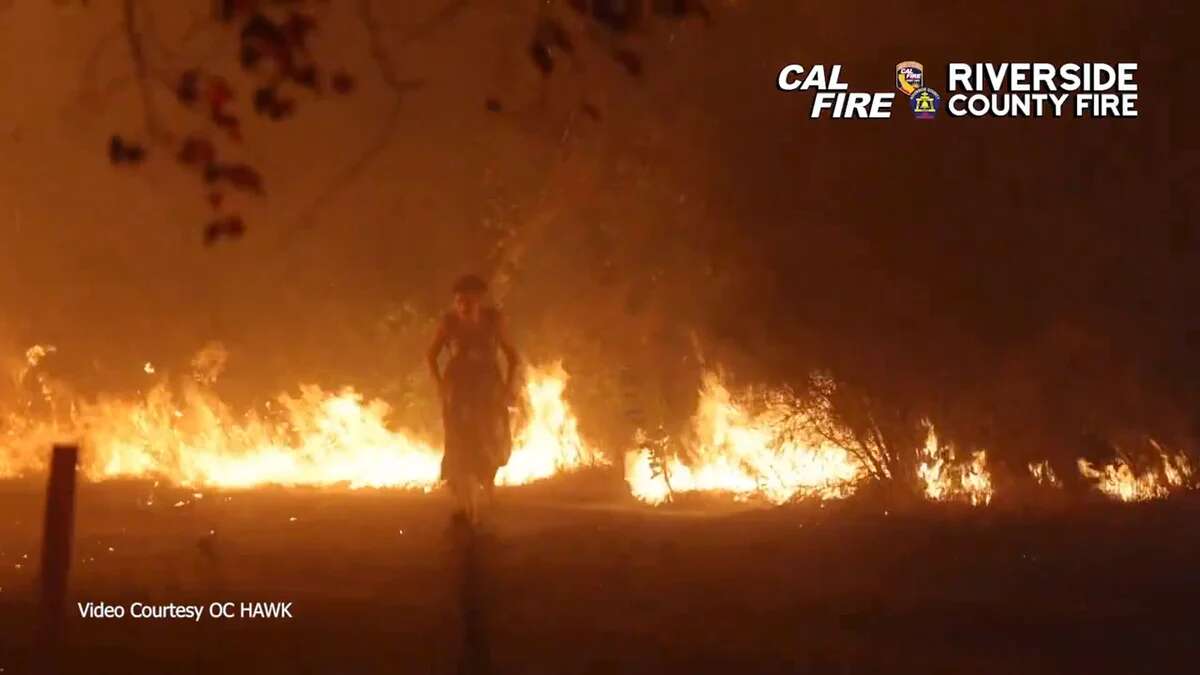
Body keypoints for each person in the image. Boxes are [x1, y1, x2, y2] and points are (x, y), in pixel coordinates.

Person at [427, 274, 520, 525]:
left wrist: (508, 388)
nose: (463, 306)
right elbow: (432, 356)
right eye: (458, 301)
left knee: (490, 437)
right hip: (459, 389)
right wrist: (440, 385)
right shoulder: (449, 323)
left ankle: (488, 489)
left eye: (468, 300)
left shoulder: (493, 321)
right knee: (459, 441)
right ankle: (465, 501)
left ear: (478, 300)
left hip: (488, 387)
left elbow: (513, 356)